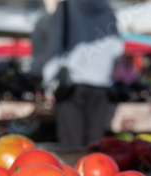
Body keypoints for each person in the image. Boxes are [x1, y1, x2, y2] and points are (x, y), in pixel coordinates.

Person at [32, 0, 124, 148]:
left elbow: (54, 48)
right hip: (101, 88)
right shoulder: (108, 10)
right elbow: (117, 50)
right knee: (94, 148)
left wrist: (49, 85)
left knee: (72, 148)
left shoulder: (67, 6)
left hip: (72, 87)